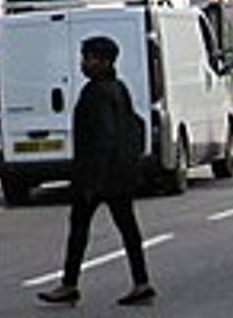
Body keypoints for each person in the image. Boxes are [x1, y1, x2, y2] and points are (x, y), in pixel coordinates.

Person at [37, 35, 154, 308]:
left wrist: (92, 181)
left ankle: (69, 285)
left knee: (79, 230)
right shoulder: (118, 88)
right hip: (119, 174)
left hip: (98, 176)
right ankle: (141, 282)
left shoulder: (96, 92)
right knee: (127, 229)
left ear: (104, 61)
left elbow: (103, 137)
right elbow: (135, 125)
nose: (84, 63)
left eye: (88, 58)